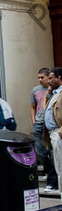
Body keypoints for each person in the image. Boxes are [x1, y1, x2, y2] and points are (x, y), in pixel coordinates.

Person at [31, 68, 57, 192]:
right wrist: (33, 121)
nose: (40, 80)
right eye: (38, 78)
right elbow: (32, 107)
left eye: (43, 77)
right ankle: (49, 172)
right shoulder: (35, 90)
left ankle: (52, 180)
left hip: (50, 126)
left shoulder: (54, 90)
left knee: (51, 152)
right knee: (40, 151)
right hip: (38, 123)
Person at [44, 67, 62, 199]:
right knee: (58, 167)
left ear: (59, 77)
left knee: (61, 168)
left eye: (51, 78)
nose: (48, 81)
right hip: (52, 133)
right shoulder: (54, 93)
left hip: (58, 133)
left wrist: (60, 133)